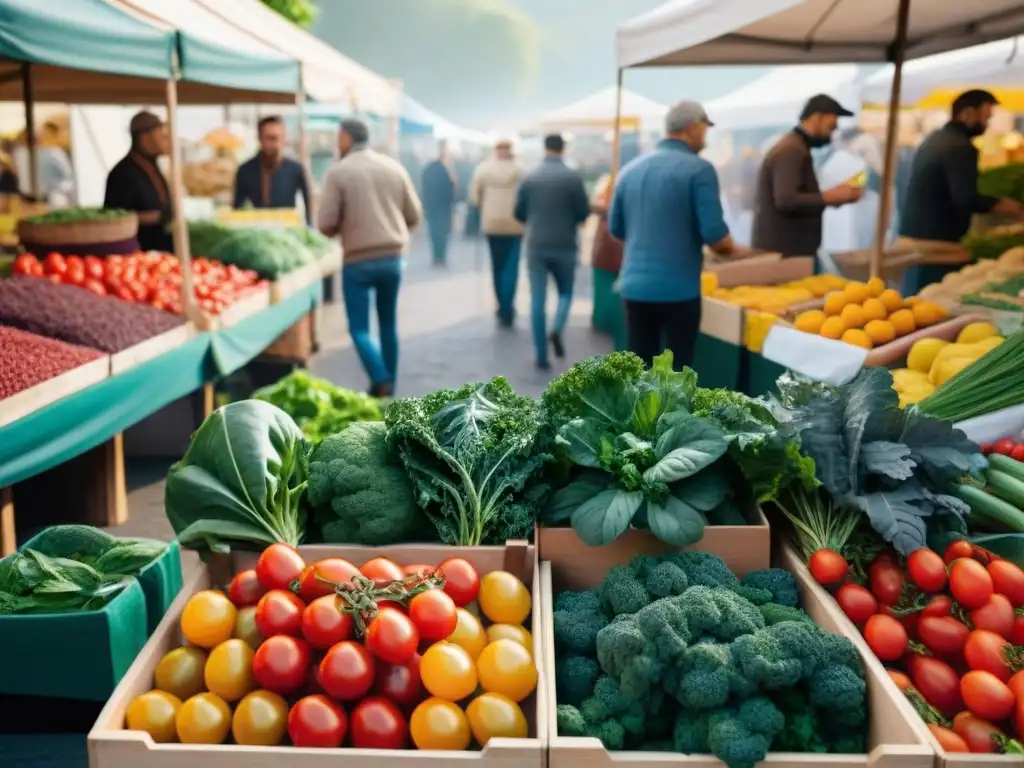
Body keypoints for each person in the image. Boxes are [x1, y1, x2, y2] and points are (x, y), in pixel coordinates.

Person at [609, 100, 746, 370]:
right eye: (705, 128)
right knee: (677, 376)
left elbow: (616, 229)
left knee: (640, 373)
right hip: (678, 291)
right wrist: (737, 251)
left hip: (634, 287)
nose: (706, 135)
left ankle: (642, 415)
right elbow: (716, 237)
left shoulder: (629, 171)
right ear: (692, 128)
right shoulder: (699, 170)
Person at [317, 119, 423, 398]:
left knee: (359, 329)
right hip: (393, 258)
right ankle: (390, 386)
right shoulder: (394, 167)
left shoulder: (339, 172)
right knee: (388, 323)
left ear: (345, 137)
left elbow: (325, 224)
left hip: (358, 261)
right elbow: (414, 215)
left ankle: (380, 377)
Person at [899, 89, 1024, 291]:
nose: (987, 125)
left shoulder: (937, 138)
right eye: (986, 117)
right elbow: (966, 198)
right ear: (967, 113)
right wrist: (1008, 207)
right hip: (934, 247)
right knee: (928, 304)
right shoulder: (959, 147)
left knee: (919, 299)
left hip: (919, 241)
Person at [751, 94, 863, 258]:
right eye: (831, 126)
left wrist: (832, 196)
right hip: (784, 257)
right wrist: (829, 197)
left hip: (789, 253)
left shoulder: (795, 147)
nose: (833, 132)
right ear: (817, 118)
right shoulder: (791, 150)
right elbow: (786, 200)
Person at [514, 134, 589, 370]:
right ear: (563, 148)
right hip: (565, 243)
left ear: (544, 148)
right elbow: (583, 212)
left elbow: (518, 212)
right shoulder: (573, 177)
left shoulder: (530, 176)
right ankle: (556, 328)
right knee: (566, 292)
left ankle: (541, 355)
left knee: (537, 299)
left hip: (536, 244)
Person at [469, 139, 524, 328]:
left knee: (497, 266)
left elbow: (474, 198)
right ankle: (508, 308)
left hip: (491, 224)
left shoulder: (483, 170)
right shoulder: (520, 170)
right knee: (511, 267)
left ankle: (501, 305)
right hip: (515, 224)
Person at [104, 111, 173, 253]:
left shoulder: (153, 166)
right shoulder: (122, 174)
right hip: (139, 251)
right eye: (162, 135)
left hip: (163, 249)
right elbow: (114, 218)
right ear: (145, 137)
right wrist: (157, 217)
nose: (167, 141)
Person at [233, 115, 311, 223]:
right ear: (260, 139)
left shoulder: (295, 170)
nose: (276, 144)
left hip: (288, 234)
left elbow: (308, 210)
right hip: (254, 233)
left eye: (280, 138)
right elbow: (237, 210)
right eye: (271, 138)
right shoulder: (245, 171)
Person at [421, 141, 457, 265]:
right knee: (443, 232)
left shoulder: (427, 170)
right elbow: (450, 189)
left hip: (432, 206)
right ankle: (441, 256)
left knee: (434, 232)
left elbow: (424, 189)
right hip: (443, 206)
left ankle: (437, 256)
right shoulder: (445, 169)